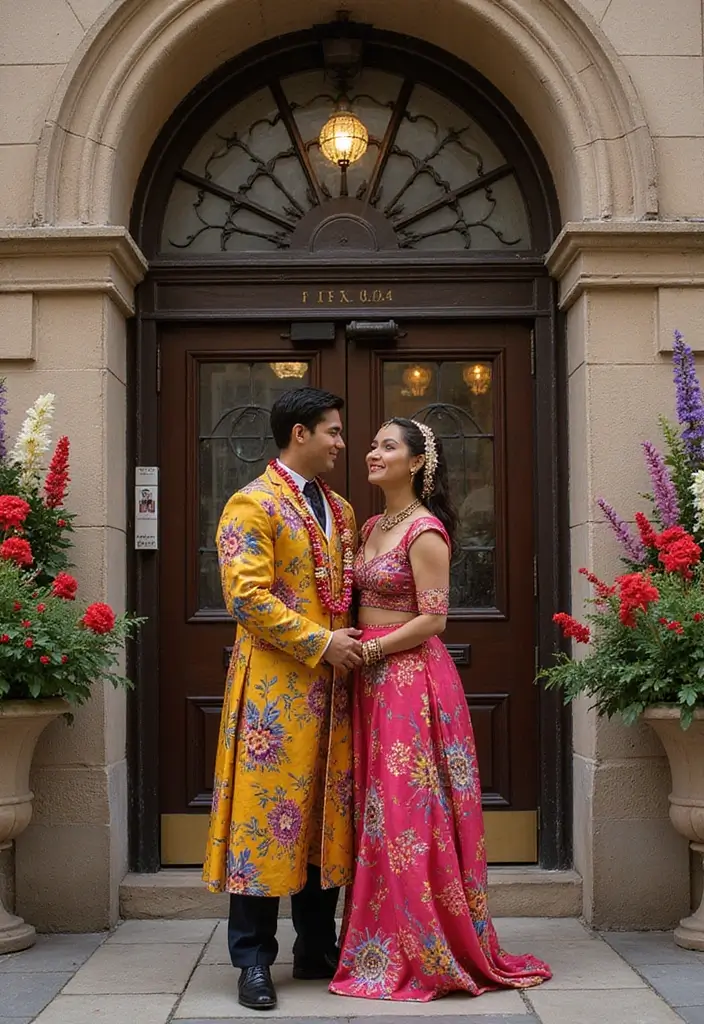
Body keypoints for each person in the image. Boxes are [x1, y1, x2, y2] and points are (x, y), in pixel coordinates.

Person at [330, 417, 552, 1001]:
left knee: (409, 815)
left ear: (416, 463)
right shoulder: (374, 523)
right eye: (373, 445)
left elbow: (434, 619)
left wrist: (369, 648)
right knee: (377, 812)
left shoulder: (426, 531)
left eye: (386, 446)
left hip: (409, 682)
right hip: (370, 682)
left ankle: (426, 945)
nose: (372, 453)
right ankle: (380, 940)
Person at [203, 388, 362, 1011]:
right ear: (300, 434)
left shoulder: (343, 511)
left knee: (323, 815)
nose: (341, 443)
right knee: (266, 819)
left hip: (335, 688)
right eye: (333, 431)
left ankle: (316, 946)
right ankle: (252, 961)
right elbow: (245, 598)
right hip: (274, 689)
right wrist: (322, 643)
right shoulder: (251, 504)